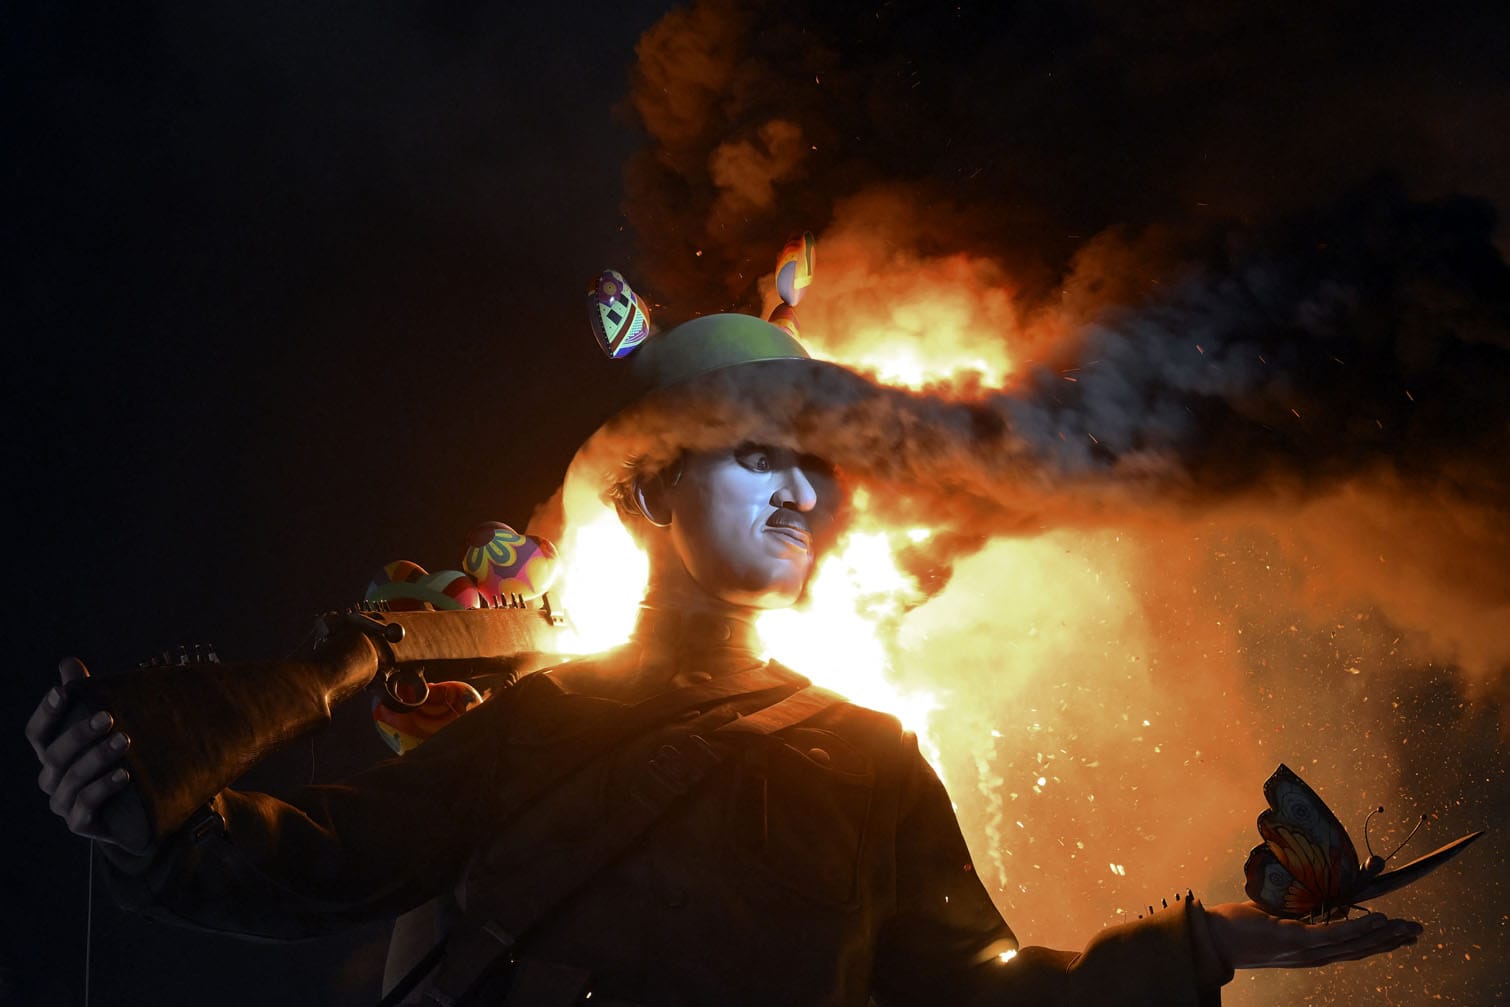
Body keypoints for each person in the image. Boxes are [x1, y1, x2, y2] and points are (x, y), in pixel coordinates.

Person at [29, 313, 1420, 1005]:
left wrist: (1198, 948)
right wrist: (141, 827)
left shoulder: (873, 758)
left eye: (814, 463)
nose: (803, 491)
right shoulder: (548, 713)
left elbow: (975, 992)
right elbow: (319, 862)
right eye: (756, 455)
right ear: (649, 497)